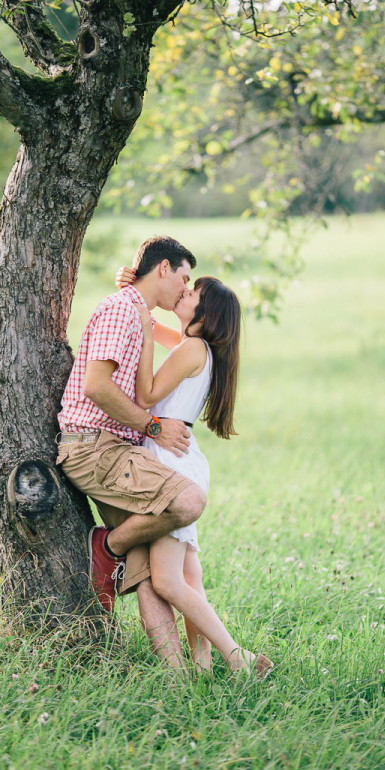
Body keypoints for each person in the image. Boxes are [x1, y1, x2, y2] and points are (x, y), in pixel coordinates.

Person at [56, 236, 206, 667]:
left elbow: (186, 338)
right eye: (183, 277)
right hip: (93, 448)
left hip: (116, 450)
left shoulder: (136, 312)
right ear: (162, 269)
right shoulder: (120, 310)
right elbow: (96, 386)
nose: (184, 287)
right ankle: (108, 547)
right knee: (189, 499)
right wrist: (153, 427)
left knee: (149, 571)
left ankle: (178, 679)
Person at [117, 266, 273, 678]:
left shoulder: (192, 350)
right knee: (189, 576)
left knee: (167, 582)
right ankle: (202, 670)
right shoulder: (197, 349)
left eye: (193, 294)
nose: (184, 292)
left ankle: (237, 658)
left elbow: (148, 393)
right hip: (183, 458)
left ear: (206, 315)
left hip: (170, 459)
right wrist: (135, 295)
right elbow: (165, 334)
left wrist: (146, 333)